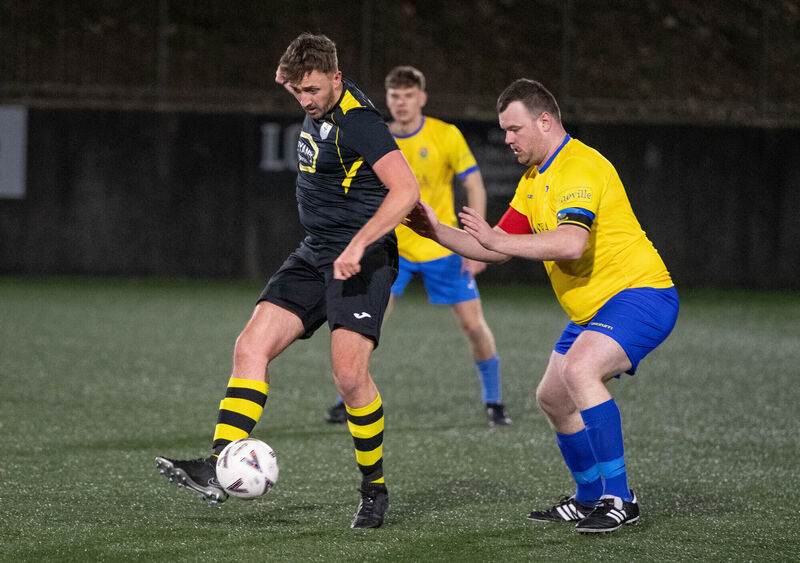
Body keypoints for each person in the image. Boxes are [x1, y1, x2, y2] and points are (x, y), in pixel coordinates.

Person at [155, 33, 419, 530]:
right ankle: (218, 465)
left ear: (337, 79)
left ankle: (374, 490)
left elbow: (406, 189)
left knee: (349, 377)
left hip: (360, 259)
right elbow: (296, 69)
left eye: (313, 90)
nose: (305, 100)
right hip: (315, 251)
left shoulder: (360, 123)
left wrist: (360, 244)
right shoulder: (312, 90)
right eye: (296, 91)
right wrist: (287, 76)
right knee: (250, 345)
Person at [406, 78, 678, 534]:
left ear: (545, 121)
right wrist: (433, 231)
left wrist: (498, 238)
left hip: (640, 294)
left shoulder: (579, 165)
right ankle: (590, 496)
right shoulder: (534, 180)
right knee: (552, 397)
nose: (507, 139)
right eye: (505, 130)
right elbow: (494, 249)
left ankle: (620, 497)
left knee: (578, 372)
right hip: (594, 310)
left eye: (514, 129)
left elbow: (572, 242)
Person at [325, 66, 511, 427]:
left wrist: (477, 243)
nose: (401, 103)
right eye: (395, 96)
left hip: (443, 248)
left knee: (473, 326)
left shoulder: (446, 134)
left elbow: (475, 186)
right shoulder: (376, 136)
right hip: (393, 249)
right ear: (388, 99)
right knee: (365, 323)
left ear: (421, 98)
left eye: (409, 95)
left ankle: (495, 401)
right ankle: (344, 398)